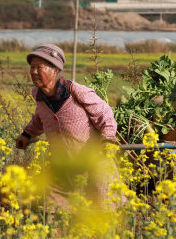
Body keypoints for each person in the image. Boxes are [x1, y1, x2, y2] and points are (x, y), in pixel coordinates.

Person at [15, 44, 119, 209]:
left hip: (93, 163)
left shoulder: (76, 91)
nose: (34, 72)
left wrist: (108, 140)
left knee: (103, 211)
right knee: (52, 213)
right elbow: (40, 118)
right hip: (63, 167)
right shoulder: (39, 95)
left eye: (39, 67)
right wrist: (27, 134)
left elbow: (104, 114)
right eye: (32, 67)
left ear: (55, 71)